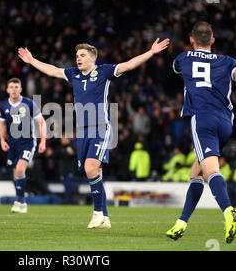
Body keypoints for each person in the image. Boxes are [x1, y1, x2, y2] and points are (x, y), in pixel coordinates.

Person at [18, 37, 170, 228]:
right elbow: (53, 70)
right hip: (82, 132)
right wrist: (32, 61)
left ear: (93, 58)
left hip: (100, 128)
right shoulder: (74, 73)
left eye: (82, 55)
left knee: (91, 169)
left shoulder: (104, 71)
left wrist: (151, 52)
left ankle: (97, 213)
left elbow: (129, 65)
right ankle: (105, 217)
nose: (78, 59)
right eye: (77, 56)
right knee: (95, 172)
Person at [166, 21, 236, 243]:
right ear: (213, 40)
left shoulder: (184, 58)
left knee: (210, 171)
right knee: (196, 173)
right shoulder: (228, 61)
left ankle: (229, 211)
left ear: (191, 39)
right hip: (226, 122)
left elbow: (175, 69)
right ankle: (181, 223)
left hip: (202, 118)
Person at [0, 77, 46, 213]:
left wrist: (43, 141)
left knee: (19, 170)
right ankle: (20, 201)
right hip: (12, 143)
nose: (14, 89)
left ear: (21, 89)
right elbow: (1, 125)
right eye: (11, 87)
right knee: (15, 173)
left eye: (16, 87)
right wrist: (2, 140)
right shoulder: (3, 106)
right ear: (7, 90)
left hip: (27, 142)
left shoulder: (29, 103)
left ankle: (21, 201)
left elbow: (42, 122)